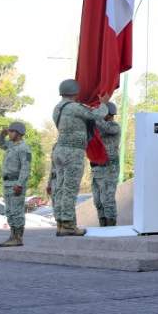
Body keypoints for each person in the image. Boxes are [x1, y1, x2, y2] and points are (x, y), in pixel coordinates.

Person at [47, 79, 107, 237]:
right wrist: (104, 104)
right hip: (73, 152)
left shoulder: (57, 108)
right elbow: (97, 115)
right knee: (70, 188)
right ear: (75, 92)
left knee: (60, 188)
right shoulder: (74, 107)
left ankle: (61, 223)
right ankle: (68, 225)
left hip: (60, 150)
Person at [0, 122, 31, 247]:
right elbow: (1, 144)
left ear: (19, 133)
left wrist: (20, 184)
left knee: (17, 211)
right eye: (9, 131)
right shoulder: (11, 145)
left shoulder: (24, 148)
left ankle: (18, 238)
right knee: (9, 211)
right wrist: (2, 135)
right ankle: (12, 236)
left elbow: (26, 168)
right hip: (7, 183)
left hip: (16, 183)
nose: (9, 133)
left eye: (11, 131)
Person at [91, 102, 121, 227]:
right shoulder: (97, 128)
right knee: (98, 201)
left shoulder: (114, 126)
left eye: (103, 112)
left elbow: (103, 127)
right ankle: (103, 227)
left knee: (107, 200)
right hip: (96, 168)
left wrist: (95, 114)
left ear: (108, 114)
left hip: (109, 168)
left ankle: (111, 228)